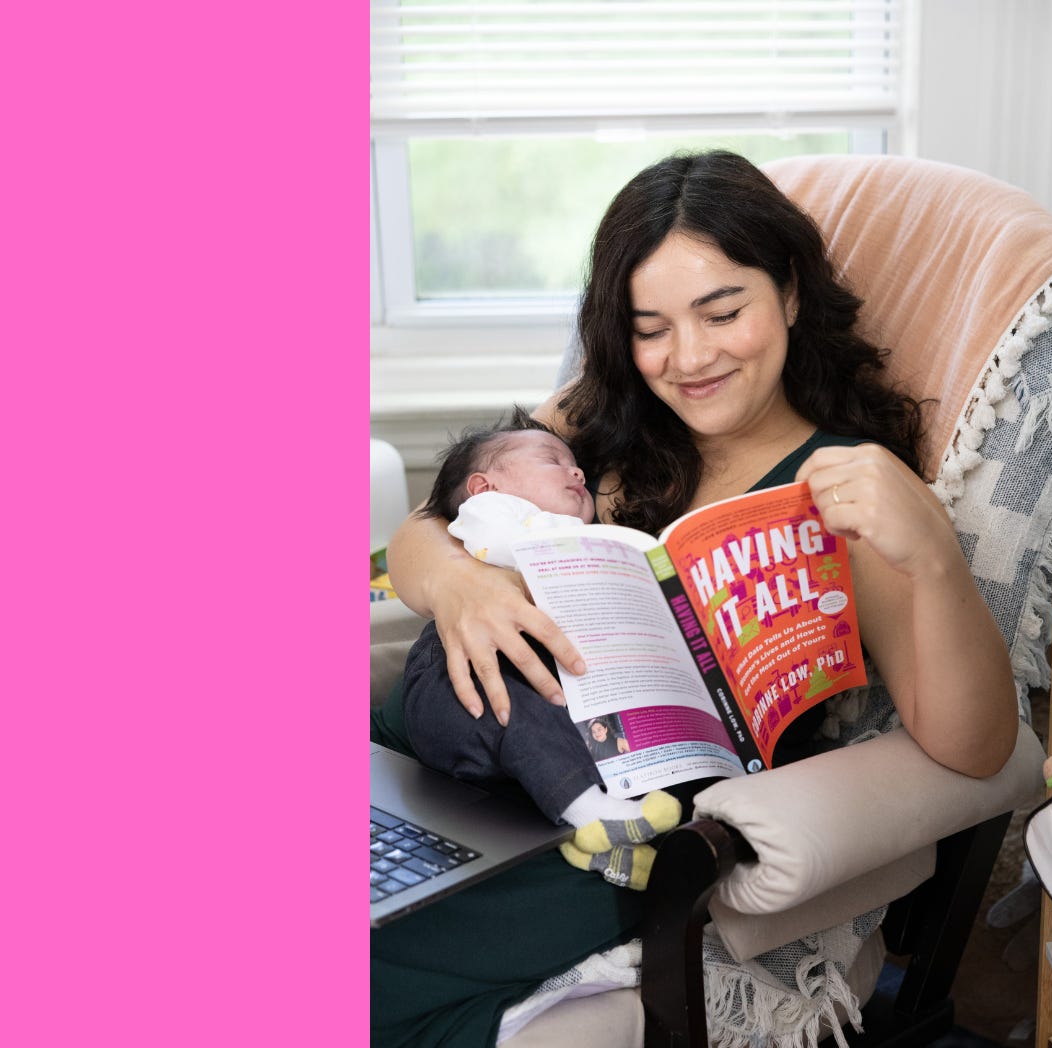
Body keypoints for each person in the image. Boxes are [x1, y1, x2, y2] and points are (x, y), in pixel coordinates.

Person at [372, 149, 1018, 1047]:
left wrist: (936, 558)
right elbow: (418, 533)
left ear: (789, 291)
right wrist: (460, 583)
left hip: (613, 839)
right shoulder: (600, 418)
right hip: (460, 763)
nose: (690, 357)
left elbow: (978, 747)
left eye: (723, 312)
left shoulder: (843, 488)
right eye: (651, 328)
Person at [393, 410, 681, 891]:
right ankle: (589, 811)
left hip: (518, 724)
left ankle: (593, 844)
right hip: (455, 687)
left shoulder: (559, 527)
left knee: (579, 725)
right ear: (486, 486)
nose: (577, 472)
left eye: (577, 468)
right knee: (520, 713)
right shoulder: (491, 515)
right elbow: (497, 543)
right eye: (553, 461)